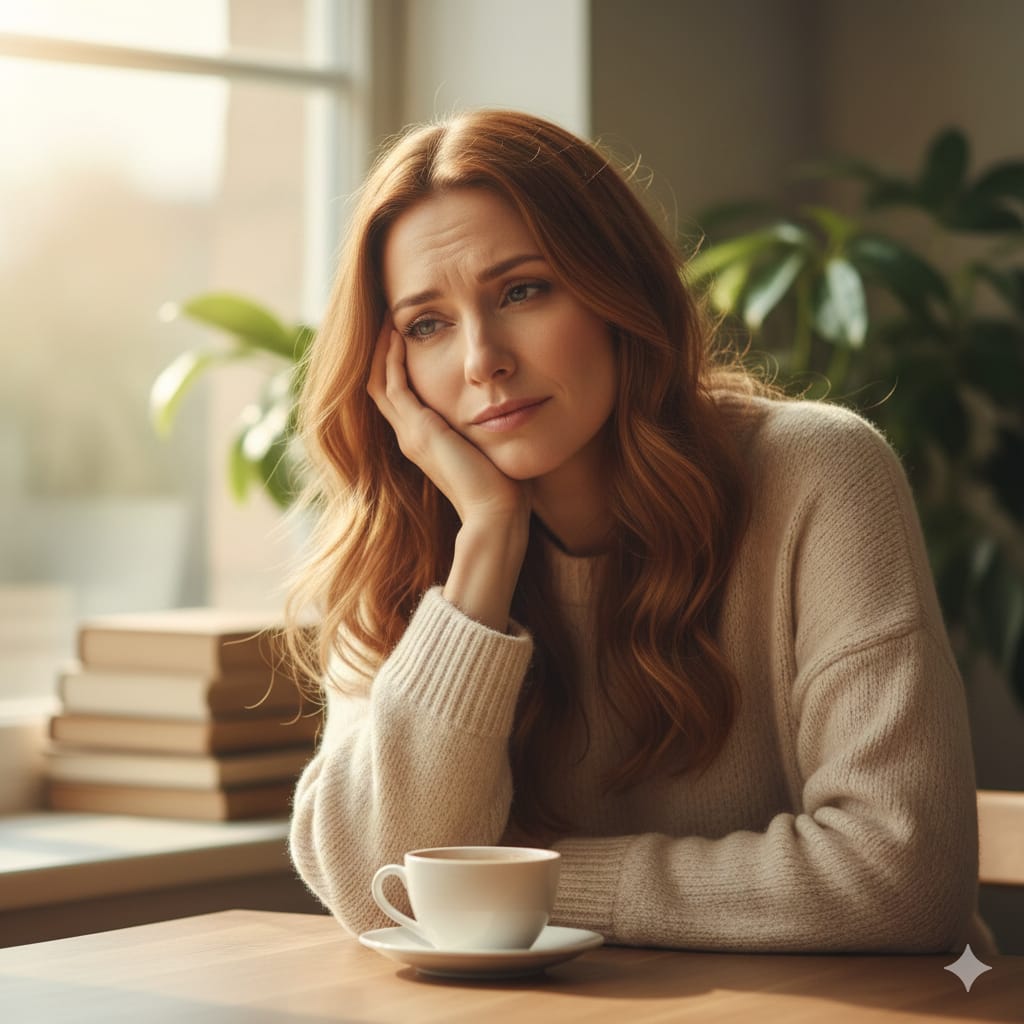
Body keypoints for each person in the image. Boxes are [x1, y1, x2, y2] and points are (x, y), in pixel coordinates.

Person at [285, 109, 992, 954]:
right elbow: (379, 888)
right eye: (427, 325)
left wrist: (523, 881)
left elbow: (900, 881)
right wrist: (486, 545)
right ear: (389, 370)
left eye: (522, 290)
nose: (482, 359)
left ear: (618, 291)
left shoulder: (817, 473)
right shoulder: (399, 545)